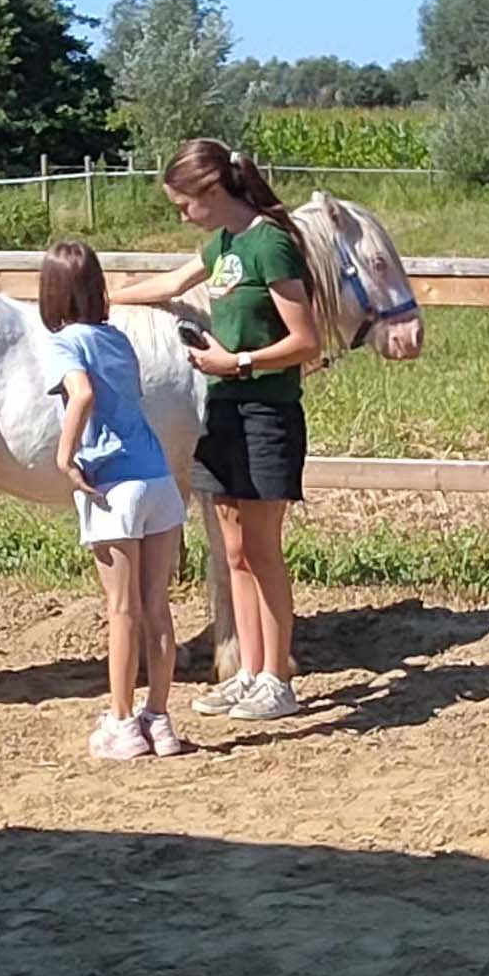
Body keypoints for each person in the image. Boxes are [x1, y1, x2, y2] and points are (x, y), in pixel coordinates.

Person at [109, 138, 321, 721]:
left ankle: (277, 676)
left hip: (264, 410)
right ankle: (249, 671)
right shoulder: (223, 245)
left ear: (211, 191)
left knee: (261, 549)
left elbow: (306, 341)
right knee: (232, 549)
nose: (181, 215)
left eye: (184, 204)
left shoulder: (270, 244)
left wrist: (240, 363)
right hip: (222, 409)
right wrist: (101, 303)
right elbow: (170, 284)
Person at [39, 239, 187, 760]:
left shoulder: (63, 343)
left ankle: (122, 722)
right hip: (158, 479)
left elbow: (80, 395)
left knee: (121, 610)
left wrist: (64, 456)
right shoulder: (118, 339)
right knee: (156, 608)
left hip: (112, 485)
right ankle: (160, 719)